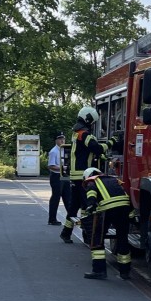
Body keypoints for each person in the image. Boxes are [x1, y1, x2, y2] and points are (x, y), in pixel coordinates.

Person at [60, 105, 114, 245]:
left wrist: (100, 158)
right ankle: (89, 236)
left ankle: (66, 232)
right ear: (88, 120)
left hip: (75, 176)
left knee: (74, 206)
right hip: (83, 176)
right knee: (88, 206)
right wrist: (112, 142)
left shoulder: (76, 134)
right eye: (92, 122)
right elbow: (97, 148)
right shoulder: (84, 134)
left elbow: (86, 153)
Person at [80, 164, 133, 281]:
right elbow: (124, 191)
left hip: (108, 209)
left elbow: (91, 192)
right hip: (124, 207)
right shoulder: (113, 179)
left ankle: (99, 271)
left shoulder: (92, 181)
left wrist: (90, 205)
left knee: (97, 239)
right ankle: (125, 272)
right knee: (122, 239)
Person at [46, 132, 66, 226]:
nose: (62, 140)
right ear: (56, 140)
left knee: (68, 197)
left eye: (63, 139)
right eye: (60, 139)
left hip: (64, 176)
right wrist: (62, 168)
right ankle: (52, 219)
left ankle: (70, 217)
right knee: (56, 197)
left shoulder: (64, 149)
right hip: (56, 176)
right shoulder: (53, 151)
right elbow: (51, 166)